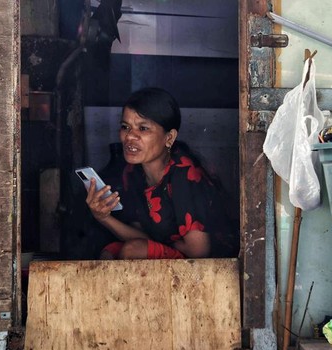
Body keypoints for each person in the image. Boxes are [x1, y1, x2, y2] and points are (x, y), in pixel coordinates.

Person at [85, 87, 238, 259]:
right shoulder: (132, 173)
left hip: (207, 267)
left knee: (132, 251)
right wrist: (103, 217)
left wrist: (158, 241)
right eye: (125, 127)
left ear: (169, 138)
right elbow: (141, 236)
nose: (129, 137)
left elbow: (198, 251)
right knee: (109, 252)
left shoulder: (184, 175)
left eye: (143, 129)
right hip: (175, 254)